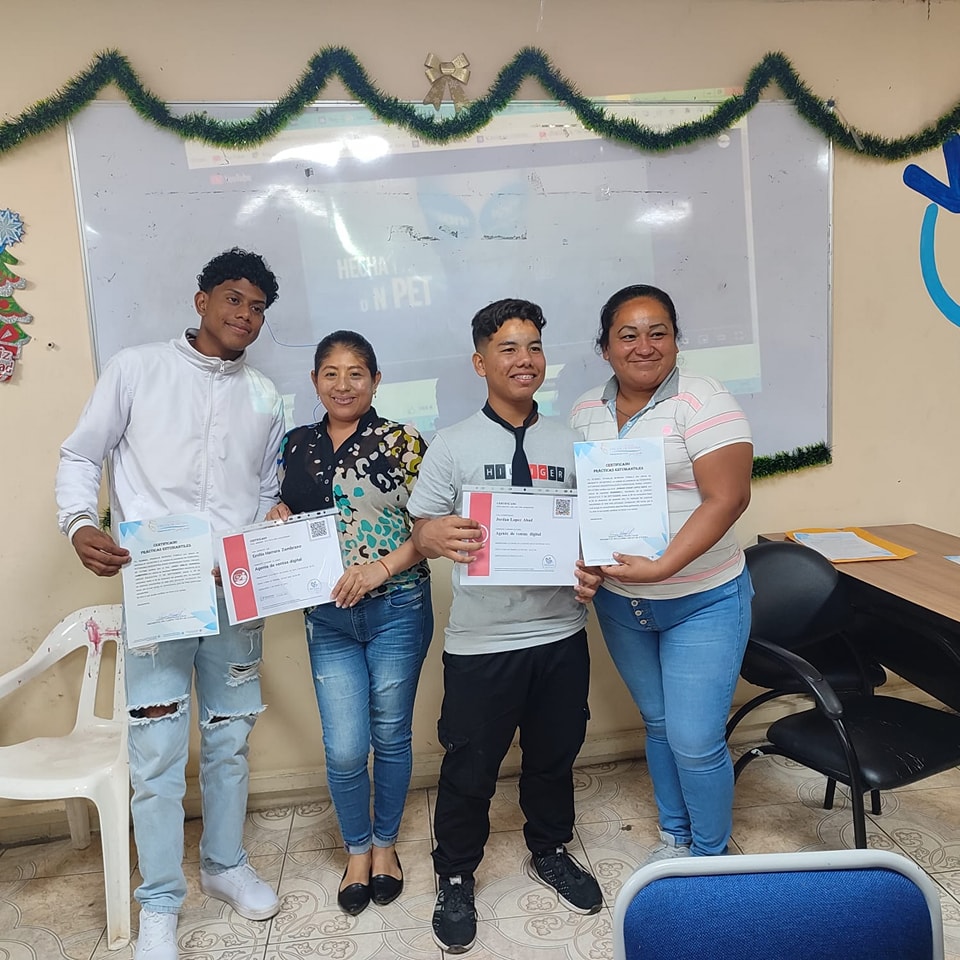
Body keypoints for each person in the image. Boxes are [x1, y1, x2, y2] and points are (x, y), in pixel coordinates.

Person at [55, 248, 286, 960]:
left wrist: (270, 523)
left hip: (233, 595)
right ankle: (158, 901)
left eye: (257, 308)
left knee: (230, 736)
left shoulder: (266, 396)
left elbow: (268, 487)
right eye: (233, 299)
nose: (245, 315)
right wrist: (79, 523)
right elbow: (80, 455)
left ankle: (224, 865)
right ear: (201, 300)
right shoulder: (136, 369)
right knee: (155, 751)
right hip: (159, 589)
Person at [408, 298, 603, 955]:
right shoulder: (453, 443)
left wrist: (594, 569)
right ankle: (456, 873)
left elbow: (594, 531)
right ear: (480, 362)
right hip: (482, 644)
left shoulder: (572, 443)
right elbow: (421, 527)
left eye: (535, 346)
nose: (525, 360)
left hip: (561, 636)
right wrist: (431, 534)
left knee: (554, 756)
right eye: (509, 348)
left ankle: (549, 849)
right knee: (470, 767)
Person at [569, 283, 753, 862]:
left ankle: (709, 857)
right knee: (658, 724)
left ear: (676, 340)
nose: (644, 346)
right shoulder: (583, 411)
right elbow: (582, 504)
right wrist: (586, 565)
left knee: (695, 740)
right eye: (628, 335)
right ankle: (675, 836)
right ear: (605, 347)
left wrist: (662, 567)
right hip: (622, 605)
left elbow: (728, 497)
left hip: (703, 598)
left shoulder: (703, 399)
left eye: (658, 333)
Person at [265, 330, 432, 917]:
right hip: (328, 616)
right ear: (315, 381)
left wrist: (380, 569)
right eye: (330, 373)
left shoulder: (404, 442)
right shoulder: (295, 445)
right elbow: (285, 513)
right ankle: (355, 850)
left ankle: (384, 847)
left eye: (356, 373)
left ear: (376, 380)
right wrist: (277, 512)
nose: (343, 384)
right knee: (343, 748)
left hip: (398, 607)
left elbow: (431, 528)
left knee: (391, 735)